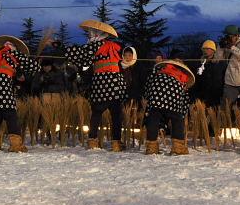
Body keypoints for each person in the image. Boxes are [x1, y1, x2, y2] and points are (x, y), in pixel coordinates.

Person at [62, 20, 130, 151]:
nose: (89, 35)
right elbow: (127, 57)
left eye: (91, 33)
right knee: (116, 114)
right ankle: (116, 143)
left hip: (101, 82)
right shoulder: (116, 46)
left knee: (97, 112)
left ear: (99, 34)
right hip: (116, 82)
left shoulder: (94, 46)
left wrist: (61, 46)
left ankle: (93, 141)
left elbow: (79, 55)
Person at [0, 35, 40, 152]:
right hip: (3, 90)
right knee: (11, 115)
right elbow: (35, 67)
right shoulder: (12, 54)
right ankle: (16, 145)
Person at [143, 59, 194, 155]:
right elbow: (184, 99)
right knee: (177, 119)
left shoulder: (160, 71)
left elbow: (148, 85)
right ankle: (178, 148)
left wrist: (148, 98)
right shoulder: (182, 77)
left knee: (153, 119)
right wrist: (182, 114)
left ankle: (151, 147)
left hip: (155, 95)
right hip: (173, 98)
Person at [190, 40, 225, 108]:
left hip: (216, 94)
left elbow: (224, 78)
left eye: (207, 49)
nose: (205, 51)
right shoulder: (199, 63)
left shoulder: (220, 63)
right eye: (204, 49)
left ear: (213, 50)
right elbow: (196, 78)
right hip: (202, 94)